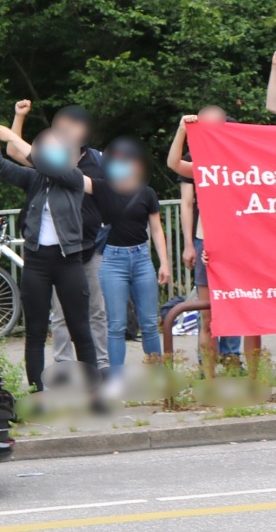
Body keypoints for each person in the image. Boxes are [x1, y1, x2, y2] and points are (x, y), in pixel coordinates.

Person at [0, 105, 98, 391]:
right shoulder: (34, 179)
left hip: (69, 261)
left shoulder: (73, 177)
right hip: (37, 262)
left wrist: (11, 135)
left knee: (80, 330)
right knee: (34, 333)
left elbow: (46, 161)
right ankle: (37, 392)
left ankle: (95, 394)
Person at [8, 101, 111, 375]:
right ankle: (64, 367)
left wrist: (7, 132)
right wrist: (18, 118)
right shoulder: (48, 159)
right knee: (60, 316)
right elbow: (13, 151)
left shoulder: (97, 161)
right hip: (58, 252)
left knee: (94, 314)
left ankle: (100, 366)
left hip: (90, 245)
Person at [167, 106, 244, 368]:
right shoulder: (202, 162)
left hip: (237, 241)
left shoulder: (239, 159)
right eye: (204, 126)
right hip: (206, 241)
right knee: (207, 312)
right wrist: (181, 130)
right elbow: (174, 164)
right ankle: (207, 365)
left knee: (235, 306)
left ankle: (233, 357)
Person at [91, 137, 171, 383]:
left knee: (148, 322)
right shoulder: (103, 187)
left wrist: (164, 263)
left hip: (142, 258)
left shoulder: (147, 192)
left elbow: (156, 229)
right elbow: (69, 176)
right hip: (113, 260)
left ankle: (159, 378)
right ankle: (116, 380)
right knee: (116, 324)